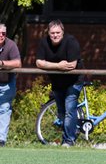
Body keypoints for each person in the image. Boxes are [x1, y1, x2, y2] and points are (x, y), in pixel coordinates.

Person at [36, 19, 84, 147]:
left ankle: (69, 140)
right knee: (61, 113)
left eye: (57, 32)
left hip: (73, 81)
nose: (55, 35)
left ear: (62, 32)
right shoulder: (44, 42)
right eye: (52, 33)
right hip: (57, 82)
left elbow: (72, 65)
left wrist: (48, 65)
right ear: (48, 33)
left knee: (69, 110)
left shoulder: (71, 41)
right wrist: (58, 65)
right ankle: (67, 137)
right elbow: (39, 63)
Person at [0, 24, 22, 147]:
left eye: (3, 33)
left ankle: (1, 140)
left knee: (4, 109)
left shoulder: (11, 45)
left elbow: (18, 63)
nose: (1, 35)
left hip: (7, 84)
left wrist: (2, 63)